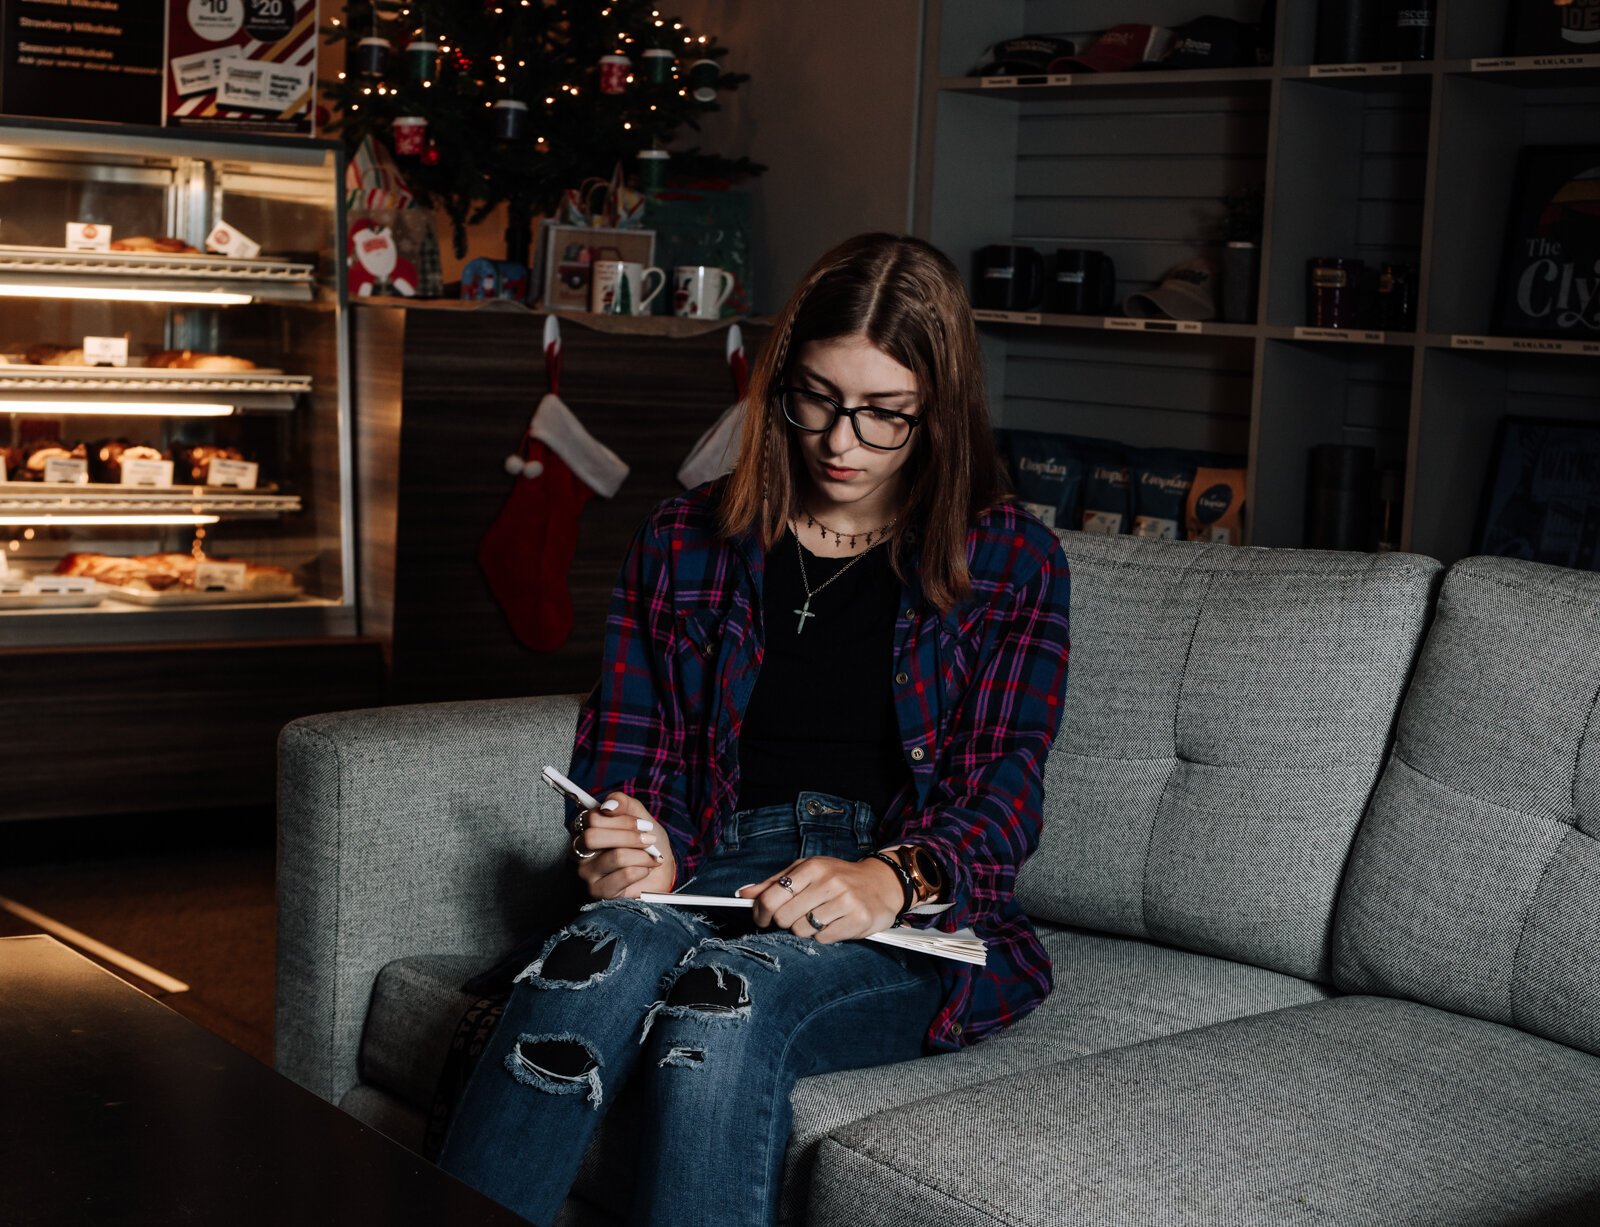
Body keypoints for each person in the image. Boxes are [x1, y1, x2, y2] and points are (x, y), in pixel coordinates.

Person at [438, 232, 1071, 1226]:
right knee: (588, 960)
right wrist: (628, 849)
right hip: (709, 859)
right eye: (816, 398)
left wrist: (891, 878)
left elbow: (1004, 791)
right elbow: (628, 750)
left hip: (889, 901)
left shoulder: (1011, 561)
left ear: (938, 413)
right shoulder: (684, 536)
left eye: (883, 415)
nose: (839, 442)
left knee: (717, 1005)